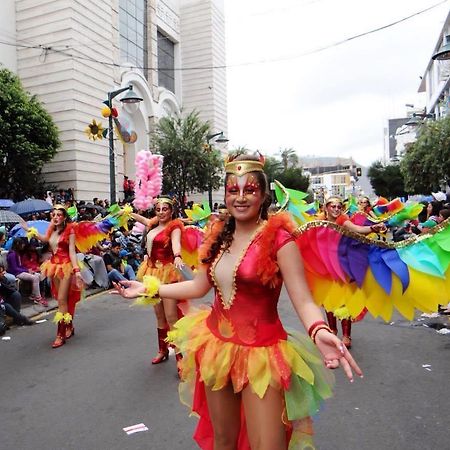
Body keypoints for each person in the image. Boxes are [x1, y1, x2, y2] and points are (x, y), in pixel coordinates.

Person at [115, 154, 362, 449]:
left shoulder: (280, 241)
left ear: (264, 196)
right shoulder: (218, 236)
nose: (241, 198)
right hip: (216, 347)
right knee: (223, 441)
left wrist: (319, 330)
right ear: (226, 194)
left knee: (267, 445)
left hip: (263, 354)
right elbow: (198, 286)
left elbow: (304, 301)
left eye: (250, 190)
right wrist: (148, 289)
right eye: (233, 190)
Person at [317, 196, 386, 348]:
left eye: (338, 207)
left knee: (343, 300)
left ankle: (346, 335)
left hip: (343, 265)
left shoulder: (343, 221)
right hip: (326, 266)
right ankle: (332, 330)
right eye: (333, 206)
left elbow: (358, 230)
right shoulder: (319, 222)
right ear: (326, 208)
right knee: (328, 300)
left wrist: (373, 228)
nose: (336, 209)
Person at [130, 197, 185, 368]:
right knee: (159, 316)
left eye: (165, 209)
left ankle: (180, 357)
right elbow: (145, 220)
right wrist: (128, 213)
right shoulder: (153, 224)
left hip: (168, 274)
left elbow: (176, 243)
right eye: (158, 209)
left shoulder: (174, 226)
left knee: (171, 317)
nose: (161, 212)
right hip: (152, 274)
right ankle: (162, 350)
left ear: (171, 211)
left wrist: (177, 256)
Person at [20, 205, 84, 348]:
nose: (55, 217)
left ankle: (60, 335)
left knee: (61, 299)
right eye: (53, 214)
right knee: (62, 300)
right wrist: (29, 230)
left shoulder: (70, 230)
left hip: (66, 266)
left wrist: (77, 270)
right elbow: (44, 239)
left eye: (59, 215)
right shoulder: (52, 229)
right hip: (53, 266)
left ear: (64, 217)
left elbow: (72, 252)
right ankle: (69, 326)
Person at [6, 238, 46, 306]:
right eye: (22, 244)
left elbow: (20, 266)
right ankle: (38, 298)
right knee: (35, 278)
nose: (23, 246)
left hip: (20, 271)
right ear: (18, 244)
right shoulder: (12, 254)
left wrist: (29, 270)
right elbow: (15, 268)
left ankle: (33, 295)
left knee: (38, 275)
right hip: (16, 273)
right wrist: (27, 270)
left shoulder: (17, 253)